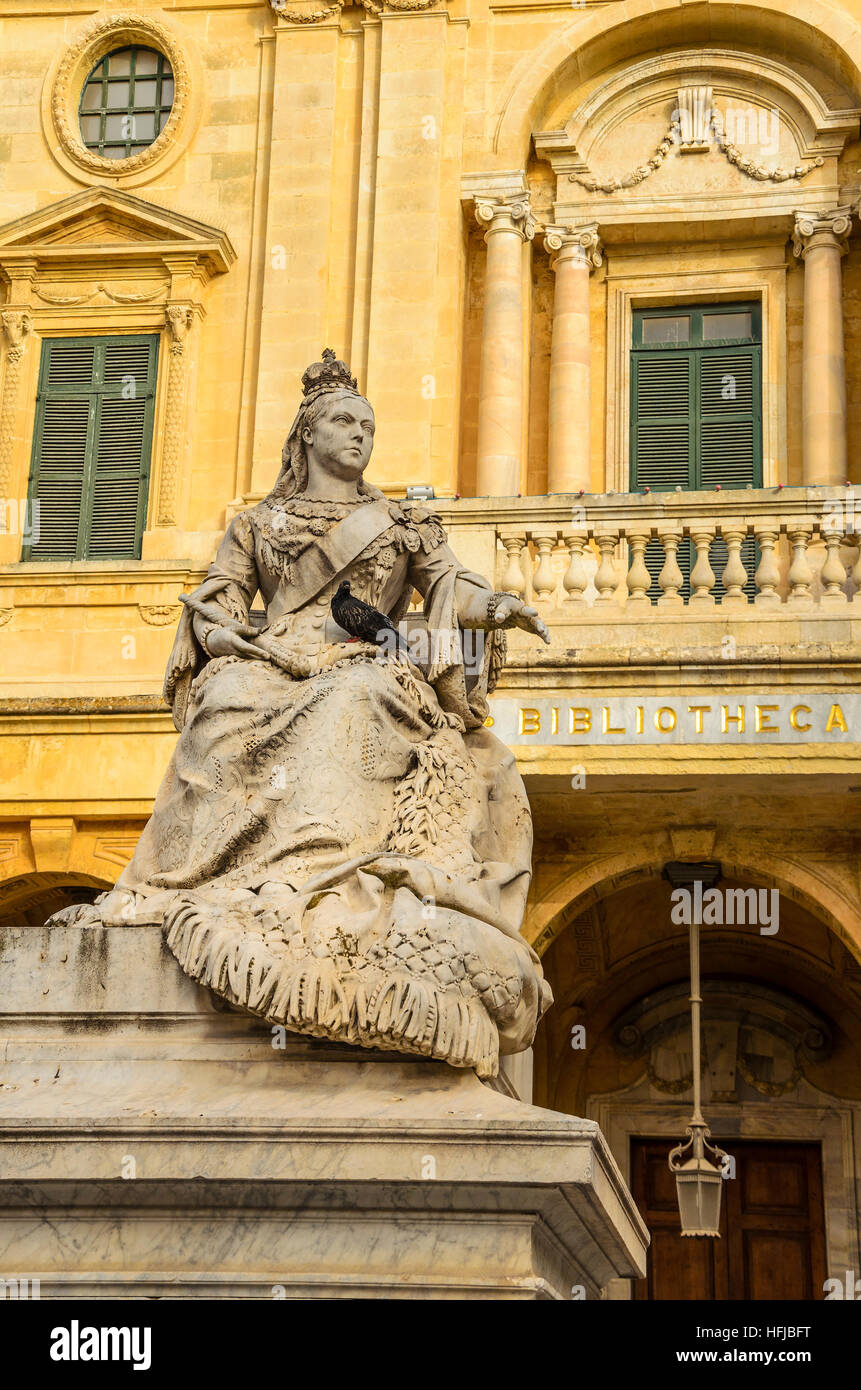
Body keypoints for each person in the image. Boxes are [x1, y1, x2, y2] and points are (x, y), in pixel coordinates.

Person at [53, 350, 552, 1077]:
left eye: (367, 426)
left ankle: (318, 870)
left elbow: (454, 588)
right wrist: (225, 633)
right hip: (269, 659)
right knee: (224, 701)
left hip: (367, 661)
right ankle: (199, 878)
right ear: (309, 435)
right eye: (344, 422)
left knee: (357, 700)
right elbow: (219, 597)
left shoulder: (404, 523)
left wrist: (499, 607)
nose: (358, 435)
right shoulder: (259, 523)